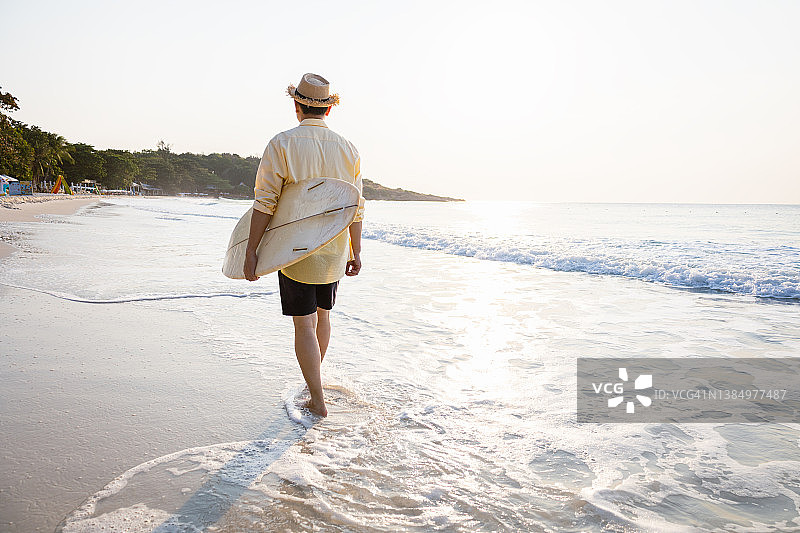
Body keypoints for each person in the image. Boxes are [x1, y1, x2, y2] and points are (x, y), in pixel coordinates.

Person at [243, 73, 364, 417]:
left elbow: (265, 202)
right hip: (333, 249)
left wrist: (252, 251)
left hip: (295, 251)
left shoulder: (282, 144)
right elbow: (356, 206)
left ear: (297, 106)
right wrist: (357, 251)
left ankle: (317, 399)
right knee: (322, 319)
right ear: (328, 110)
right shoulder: (348, 148)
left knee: (303, 324)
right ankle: (315, 387)